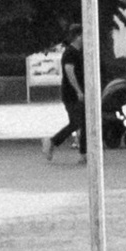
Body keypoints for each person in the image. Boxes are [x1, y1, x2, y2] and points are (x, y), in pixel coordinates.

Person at [48, 30, 86, 162]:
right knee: (76, 122)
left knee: (85, 123)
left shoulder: (80, 52)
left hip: (80, 93)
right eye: (83, 35)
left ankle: (84, 154)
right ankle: (53, 141)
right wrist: (78, 91)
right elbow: (70, 73)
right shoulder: (70, 53)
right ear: (77, 37)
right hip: (70, 94)